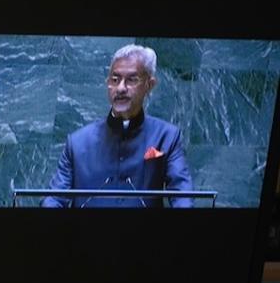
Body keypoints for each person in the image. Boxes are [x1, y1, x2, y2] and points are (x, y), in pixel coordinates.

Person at [42, 44, 192, 208]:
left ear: (149, 85)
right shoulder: (77, 142)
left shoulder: (167, 136)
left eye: (131, 80)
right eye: (115, 79)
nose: (121, 88)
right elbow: (54, 199)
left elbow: (182, 197)